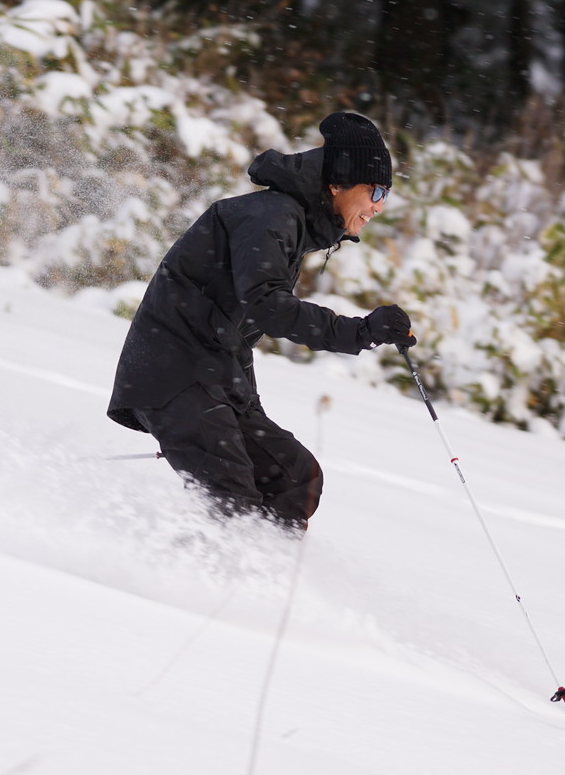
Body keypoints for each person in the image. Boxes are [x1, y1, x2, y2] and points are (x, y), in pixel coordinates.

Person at [106, 112, 416, 531]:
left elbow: (233, 323)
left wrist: (244, 410)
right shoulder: (270, 217)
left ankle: (268, 574)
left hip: (211, 379)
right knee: (232, 499)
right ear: (338, 183)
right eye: (376, 190)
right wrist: (360, 332)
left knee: (294, 479)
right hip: (174, 376)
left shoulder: (290, 222)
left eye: (386, 194)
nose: (379, 206)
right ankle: (194, 584)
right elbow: (266, 305)